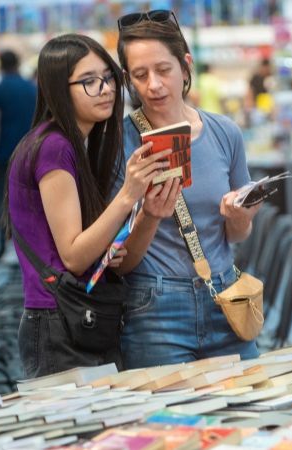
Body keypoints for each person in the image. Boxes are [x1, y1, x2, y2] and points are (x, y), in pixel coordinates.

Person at [3, 34, 170, 377]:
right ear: (58, 89)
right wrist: (129, 194)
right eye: (89, 82)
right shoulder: (54, 147)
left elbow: (75, 248)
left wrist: (106, 252)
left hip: (71, 316)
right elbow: (73, 256)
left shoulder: (72, 143)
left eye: (108, 78)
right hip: (60, 321)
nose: (106, 89)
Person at [114, 9, 263, 368]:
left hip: (225, 296)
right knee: (169, 407)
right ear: (128, 79)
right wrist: (149, 215)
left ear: (185, 66)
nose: (154, 85)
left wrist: (240, 216)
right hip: (155, 308)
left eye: (163, 70)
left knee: (246, 400)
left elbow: (236, 235)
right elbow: (120, 262)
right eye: (140, 75)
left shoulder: (224, 132)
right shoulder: (120, 141)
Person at [0, 50, 37, 261]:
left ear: (0, 65)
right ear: (18, 63)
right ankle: (30, 249)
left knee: (2, 201)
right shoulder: (32, 89)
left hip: (5, 154)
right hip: (31, 153)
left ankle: (3, 244)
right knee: (29, 200)